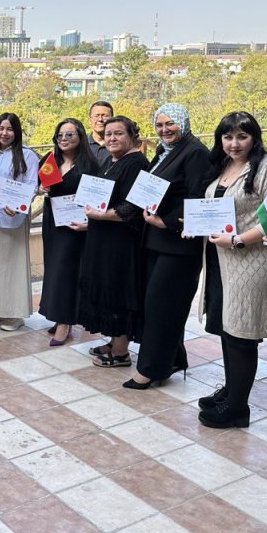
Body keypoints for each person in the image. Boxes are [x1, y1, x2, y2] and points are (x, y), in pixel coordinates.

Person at [196, 112, 267, 428]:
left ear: (254, 137)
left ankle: (238, 408)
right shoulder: (222, 164)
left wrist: (237, 240)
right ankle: (232, 389)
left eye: (242, 137)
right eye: (228, 137)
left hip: (253, 260)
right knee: (226, 326)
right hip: (222, 259)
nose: (234, 144)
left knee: (242, 332)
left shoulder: (266, 167)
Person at [124, 103, 210, 390]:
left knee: (162, 306)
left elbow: (199, 197)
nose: (164, 130)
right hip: (156, 241)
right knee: (157, 304)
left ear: (184, 122)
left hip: (178, 244)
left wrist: (169, 222)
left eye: (170, 123)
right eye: (159, 125)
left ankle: (149, 369)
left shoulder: (195, 152)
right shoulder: (164, 151)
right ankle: (172, 358)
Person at [78, 116, 148, 368]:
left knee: (118, 292)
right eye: (108, 134)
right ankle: (114, 341)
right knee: (107, 290)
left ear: (131, 136)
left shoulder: (136, 162)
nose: (112, 138)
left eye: (118, 133)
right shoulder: (112, 160)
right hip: (103, 239)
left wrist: (100, 215)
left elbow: (134, 207)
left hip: (120, 244)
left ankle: (120, 352)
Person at [38, 117, 98, 346]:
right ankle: (57, 315)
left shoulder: (89, 166)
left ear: (80, 137)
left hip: (75, 225)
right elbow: (40, 185)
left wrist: (88, 223)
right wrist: (40, 187)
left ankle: (66, 322)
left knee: (67, 272)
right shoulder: (50, 159)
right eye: (60, 135)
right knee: (53, 269)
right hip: (52, 221)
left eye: (69, 134)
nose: (64, 139)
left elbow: (96, 198)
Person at [0, 112, 40, 331]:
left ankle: (14, 314)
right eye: (1, 128)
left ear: (17, 132)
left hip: (13, 218)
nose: (4, 133)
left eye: (9, 129)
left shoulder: (27, 155)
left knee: (12, 267)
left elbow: (33, 185)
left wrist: (19, 206)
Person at [88, 101, 114, 168]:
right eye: (96, 116)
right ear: (89, 120)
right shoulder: (80, 144)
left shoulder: (119, 146)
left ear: (112, 119)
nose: (100, 119)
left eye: (105, 116)